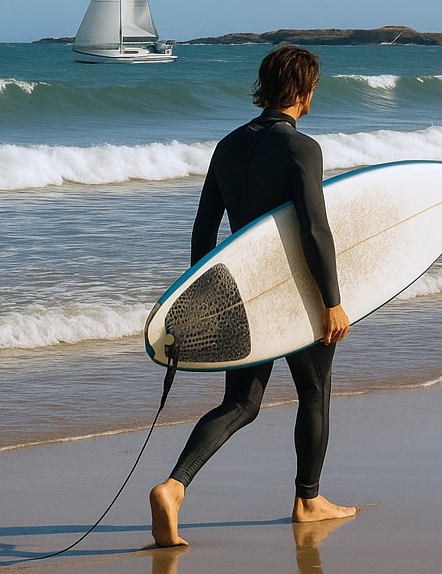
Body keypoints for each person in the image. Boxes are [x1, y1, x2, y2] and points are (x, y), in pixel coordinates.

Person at [150, 46, 354, 548]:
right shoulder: (301, 148)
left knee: (241, 402)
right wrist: (331, 300)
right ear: (305, 89)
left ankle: (173, 487)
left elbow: (203, 230)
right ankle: (309, 500)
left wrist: (199, 298)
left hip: (239, 290)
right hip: (295, 291)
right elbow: (313, 228)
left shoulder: (227, 145)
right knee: (314, 391)